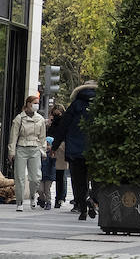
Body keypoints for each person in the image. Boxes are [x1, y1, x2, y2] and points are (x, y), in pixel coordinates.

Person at [52, 80, 98, 219]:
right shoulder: (101, 106)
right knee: (96, 179)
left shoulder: (74, 106)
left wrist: (55, 146)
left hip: (75, 150)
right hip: (95, 149)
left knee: (79, 181)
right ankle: (93, 199)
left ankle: (82, 208)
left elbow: (63, 127)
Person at [7, 95, 45, 210]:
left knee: (35, 178)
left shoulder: (40, 119)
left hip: (35, 148)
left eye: (38, 103)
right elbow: (13, 136)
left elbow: (43, 137)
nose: (36, 105)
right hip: (21, 148)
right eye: (34, 103)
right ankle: (20, 202)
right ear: (28, 104)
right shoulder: (19, 118)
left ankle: (33, 196)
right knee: (19, 177)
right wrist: (11, 152)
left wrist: (42, 151)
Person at [46, 103, 67, 209]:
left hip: (59, 148)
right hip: (53, 147)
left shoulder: (62, 121)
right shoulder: (52, 122)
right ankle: (58, 198)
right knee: (59, 175)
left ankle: (59, 198)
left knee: (59, 174)